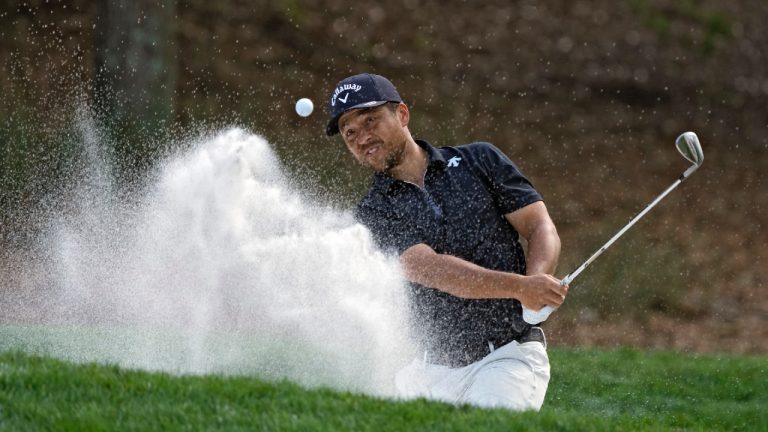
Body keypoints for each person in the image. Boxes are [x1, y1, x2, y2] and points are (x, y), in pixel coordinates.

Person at [326, 73, 568, 411]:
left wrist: (534, 288)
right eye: (349, 133)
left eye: (371, 121)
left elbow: (539, 225)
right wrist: (520, 286)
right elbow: (427, 268)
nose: (363, 137)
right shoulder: (371, 213)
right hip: (426, 371)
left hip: (506, 355)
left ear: (403, 115)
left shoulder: (478, 161)